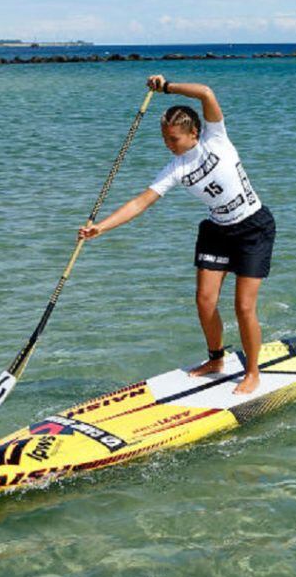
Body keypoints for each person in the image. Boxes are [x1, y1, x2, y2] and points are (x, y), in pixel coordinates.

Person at [77, 75, 276, 394]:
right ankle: (215, 359)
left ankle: (252, 372)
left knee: (243, 306)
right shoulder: (176, 168)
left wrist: (166, 87)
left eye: (174, 139)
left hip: (253, 227)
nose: (169, 145)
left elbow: (206, 93)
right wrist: (101, 226)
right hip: (217, 230)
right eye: (165, 139)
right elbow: (141, 201)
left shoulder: (216, 139)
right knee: (204, 300)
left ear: (193, 132)